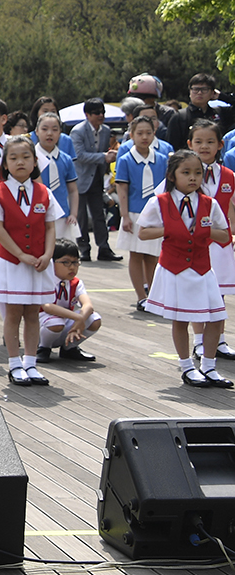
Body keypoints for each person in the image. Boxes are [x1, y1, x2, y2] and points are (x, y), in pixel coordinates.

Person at [140, 149, 232, 388]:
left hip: (202, 268)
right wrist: (169, 229)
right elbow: (143, 232)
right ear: (172, 175)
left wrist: (206, 230)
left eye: (198, 173)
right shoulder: (159, 202)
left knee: (215, 316)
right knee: (180, 319)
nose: (193, 178)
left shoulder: (209, 203)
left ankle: (209, 367)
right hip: (175, 267)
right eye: (186, 172)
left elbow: (224, 235)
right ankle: (187, 367)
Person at [0, 135, 61, 387]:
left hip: (38, 263)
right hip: (12, 263)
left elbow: (50, 227)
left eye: (26, 157)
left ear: (35, 162)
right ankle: (14, 364)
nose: (20, 162)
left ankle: (31, 363)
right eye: (13, 158)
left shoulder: (44, 192)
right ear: (5, 164)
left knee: (33, 314)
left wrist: (48, 254)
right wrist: (20, 254)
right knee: (13, 313)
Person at [190, 119, 235, 361]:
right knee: (199, 292)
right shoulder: (182, 173)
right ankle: (199, 341)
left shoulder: (229, 175)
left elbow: (232, 208)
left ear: (221, 145)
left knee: (220, 294)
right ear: (190, 144)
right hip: (195, 245)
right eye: (199, 141)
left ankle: (219, 339)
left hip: (221, 244)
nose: (204, 146)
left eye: (210, 142)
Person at [114, 116, 167, 313]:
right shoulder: (126, 159)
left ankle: (154, 296)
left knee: (153, 256)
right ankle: (141, 297)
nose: (144, 137)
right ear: (131, 135)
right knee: (135, 255)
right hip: (135, 212)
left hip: (155, 214)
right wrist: (125, 215)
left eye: (149, 133)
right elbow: (122, 189)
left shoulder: (162, 159)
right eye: (140, 133)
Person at [71, 98, 120, 262]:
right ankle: (83, 249)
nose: (101, 115)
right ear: (87, 114)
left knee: (99, 214)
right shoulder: (78, 131)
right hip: (81, 178)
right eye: (97, 113)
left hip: (97, 179)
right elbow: (79, 155)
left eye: (102, 112)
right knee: (82, 217)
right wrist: (103, 157)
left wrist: (109, 158)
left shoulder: (106, 130)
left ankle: (104, 248)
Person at [36, 241, 101, 362]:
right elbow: (48, 307)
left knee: (94, 319)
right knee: (56, 323)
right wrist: (78, 318)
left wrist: (80, 318)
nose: (72, 267)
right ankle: (43, 348)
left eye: (75, 262)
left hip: (65, 322)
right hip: (42, 324)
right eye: (66, 262)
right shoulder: (44, 280)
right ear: (51, 262)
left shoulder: (75, 283)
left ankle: (70, 348)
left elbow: (88, 305)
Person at [34, 111, 79, 240]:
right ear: (37, 131)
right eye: (44, 129)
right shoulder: (30, 158)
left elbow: (73, 189)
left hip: (62, 215)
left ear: (60, 133)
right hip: (38, 214)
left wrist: (73, 213)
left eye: (54, 130)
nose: (49, 133)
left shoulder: (66, 159)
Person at [167, 73, 234, 148]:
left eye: (204, 89)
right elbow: (172, 147)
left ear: (212, 92)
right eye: (195, 89)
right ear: (190, 92)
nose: (199, 93)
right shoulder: (179, 117)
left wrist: (222, 96)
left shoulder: (220, 112)